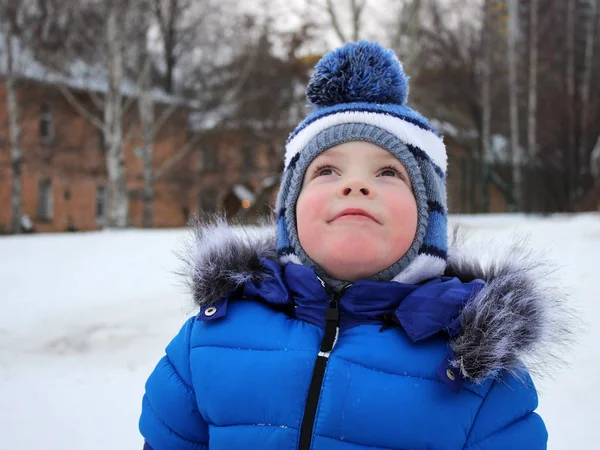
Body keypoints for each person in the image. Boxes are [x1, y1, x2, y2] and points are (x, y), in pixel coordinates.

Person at [139, 41, 568, 449]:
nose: (356, 185)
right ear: (289, 209)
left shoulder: (479, 377)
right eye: (326, 171)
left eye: (388, 173)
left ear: (431, 218)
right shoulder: (208, 341)